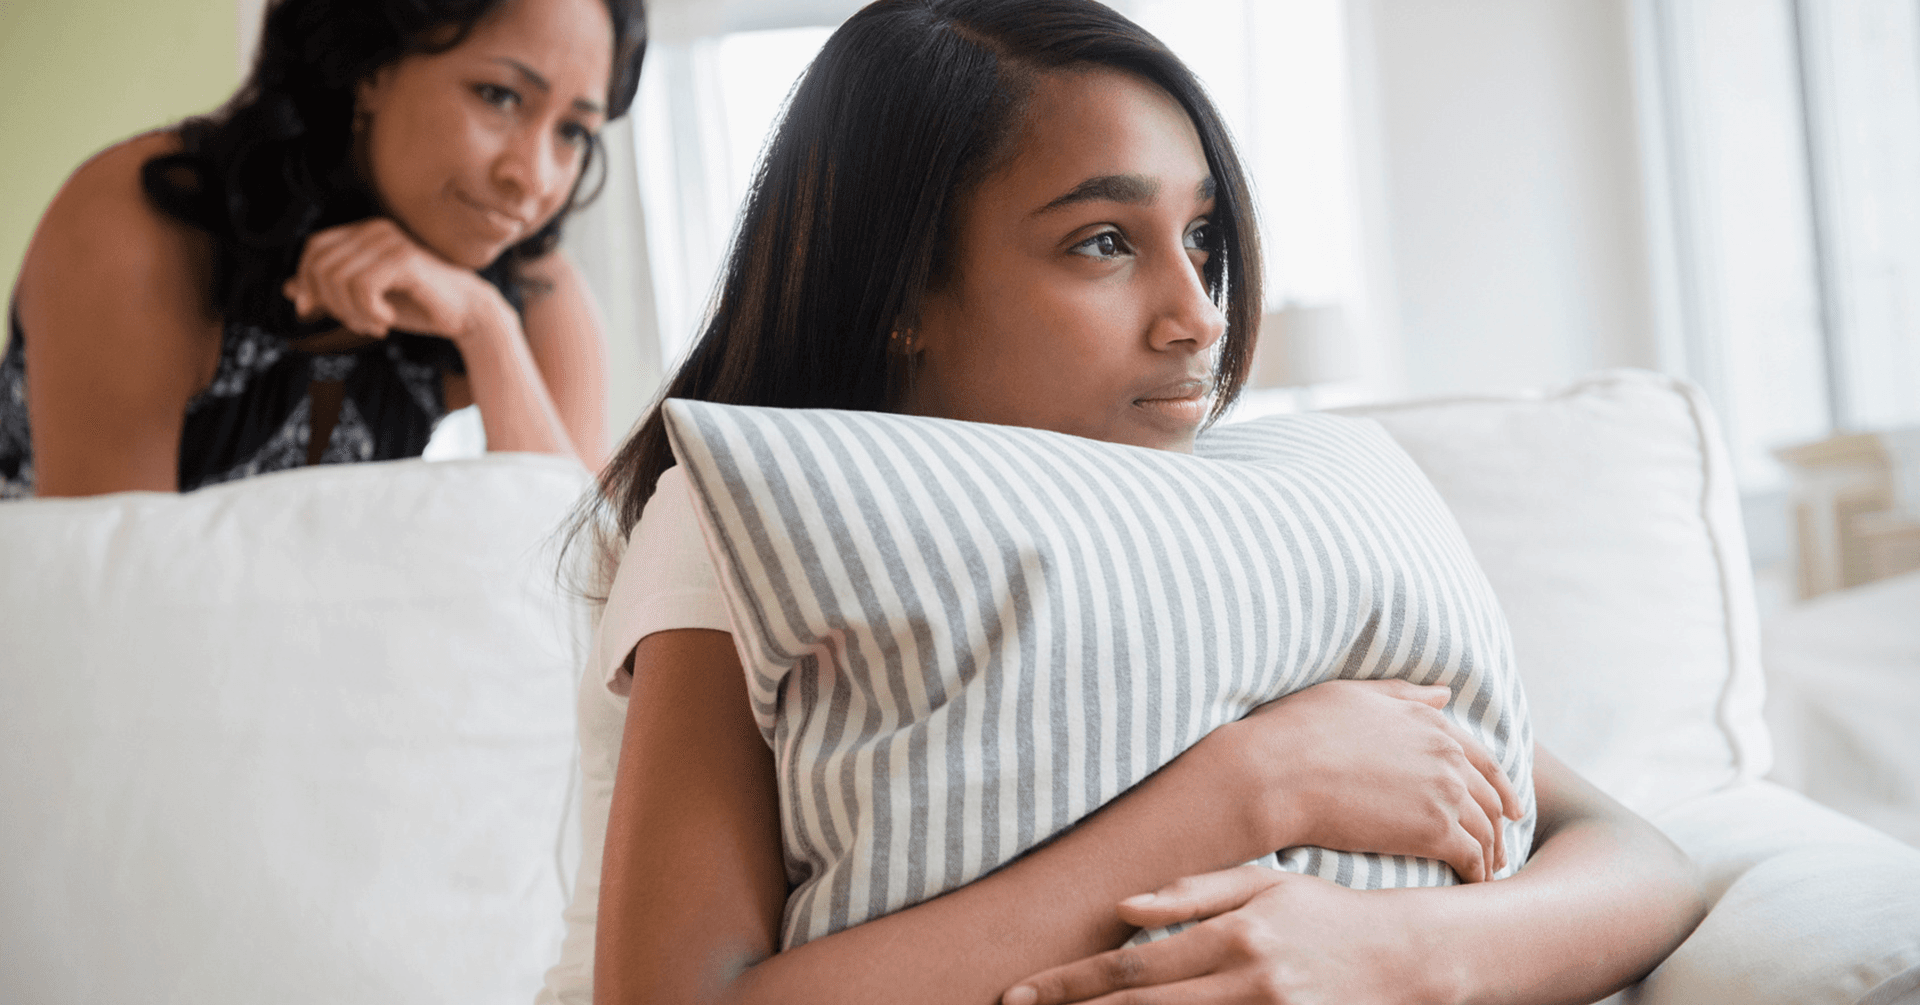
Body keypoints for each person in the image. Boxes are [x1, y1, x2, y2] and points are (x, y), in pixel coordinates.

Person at [572, 2, 1707, 1003]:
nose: (1199, 313)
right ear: (901, 289)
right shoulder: (742, 525)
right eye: (1104, 242)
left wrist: (1395, 955)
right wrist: (1255, 786)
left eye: (1202, 235)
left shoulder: (1245, 523)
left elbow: (1638, 859)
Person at [0, 0, 647, 499]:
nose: (532, 178)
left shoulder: (526, 287)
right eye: (499, 96)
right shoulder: (148, 224)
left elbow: (580, 589)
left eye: (573, 131)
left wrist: (487, 330)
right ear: (372, 66)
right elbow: (110, 595)